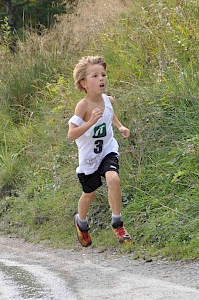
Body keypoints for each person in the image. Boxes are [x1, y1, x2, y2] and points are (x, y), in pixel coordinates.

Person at [68, 56, 131, 247]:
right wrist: (90, 122)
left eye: (103, 74)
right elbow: (71, 135)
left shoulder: (107, 100)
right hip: (89, 158)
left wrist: (120, 127)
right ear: (84, 83)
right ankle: (81, 222)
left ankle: (117, 223)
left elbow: (109, 113)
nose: (101, 79)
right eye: (94, 76)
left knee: (113, 178)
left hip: (107, 150)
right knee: (90, 193)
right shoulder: (83, 106)